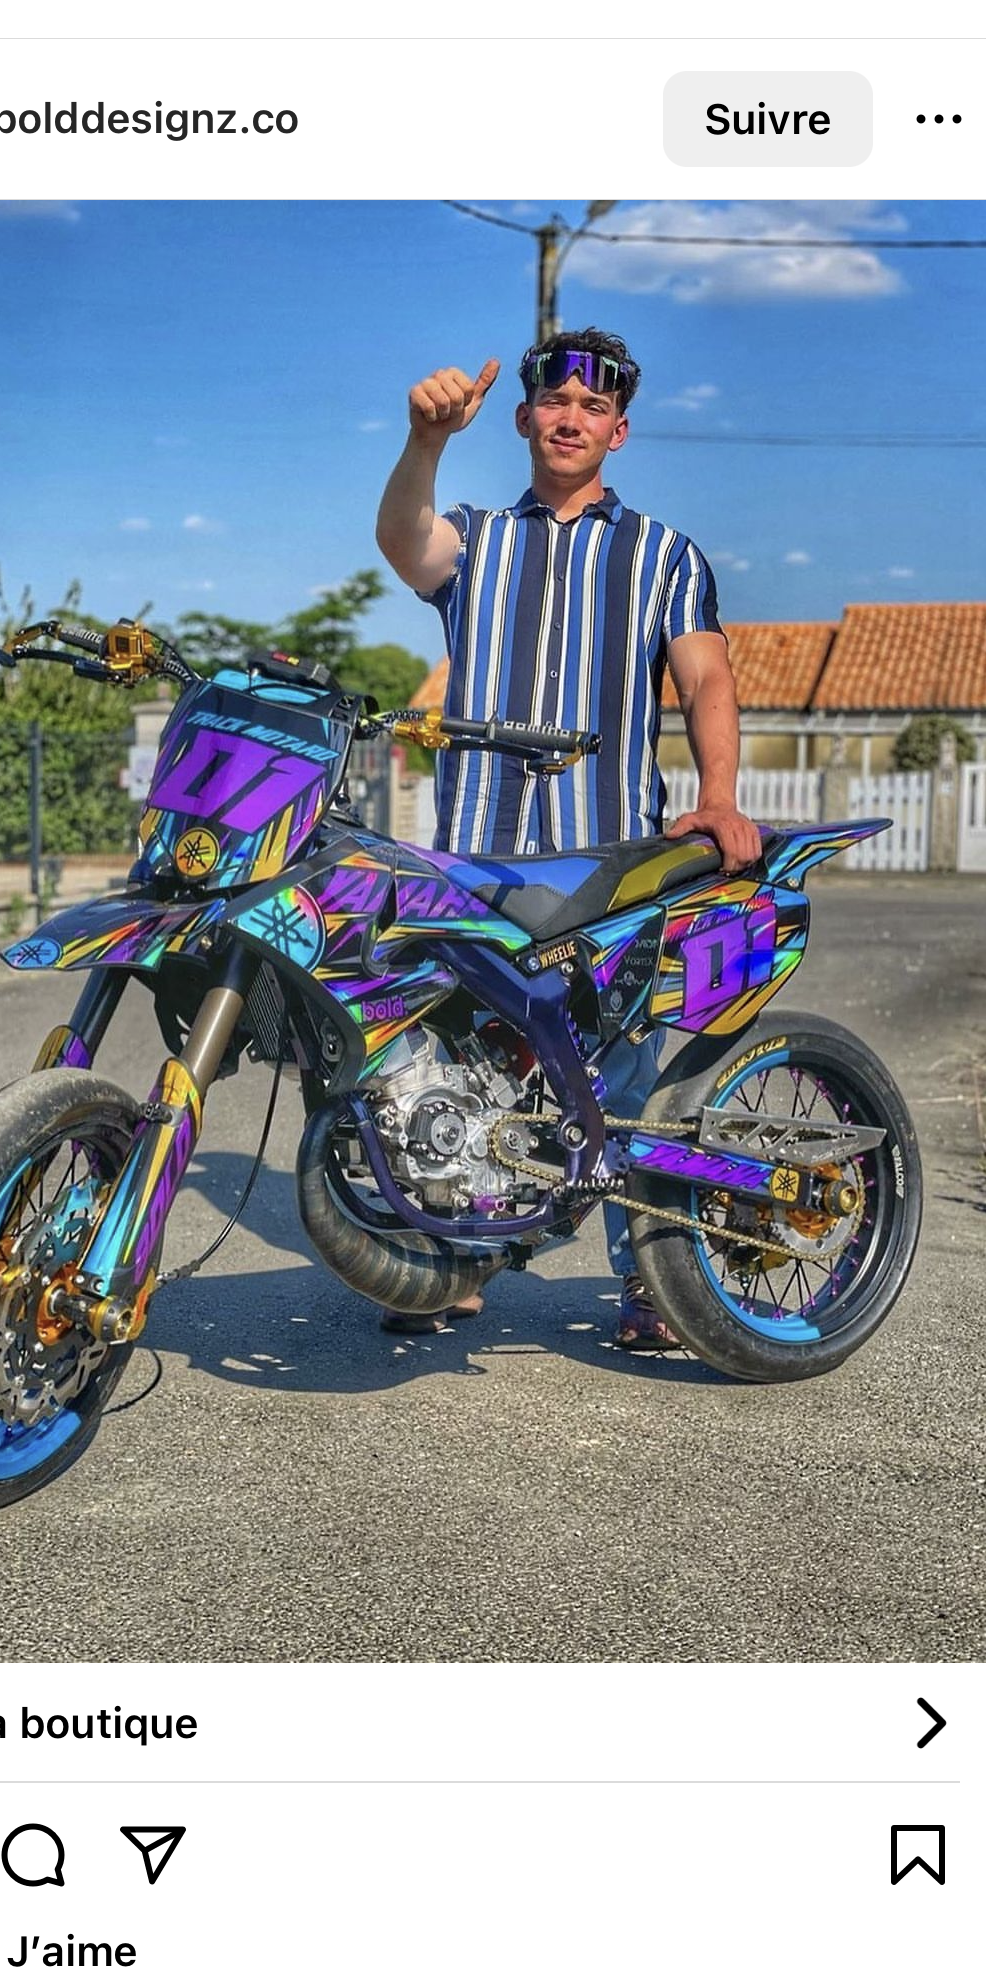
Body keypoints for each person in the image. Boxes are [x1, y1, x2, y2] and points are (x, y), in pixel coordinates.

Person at [375, 326, 761, 1347]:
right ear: (523, 417)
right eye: (555, 402)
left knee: (626, 1072)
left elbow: (707, 678)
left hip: (612, 859)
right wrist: (425, 440)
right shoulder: (476, 540)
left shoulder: (665, 555)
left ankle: (653, 1282)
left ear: (618, 430)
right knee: (458, 1056)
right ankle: (454, 1259)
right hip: (480, 852)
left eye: (594, 407)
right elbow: (404, 542)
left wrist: (720, 797)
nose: (571, 418)